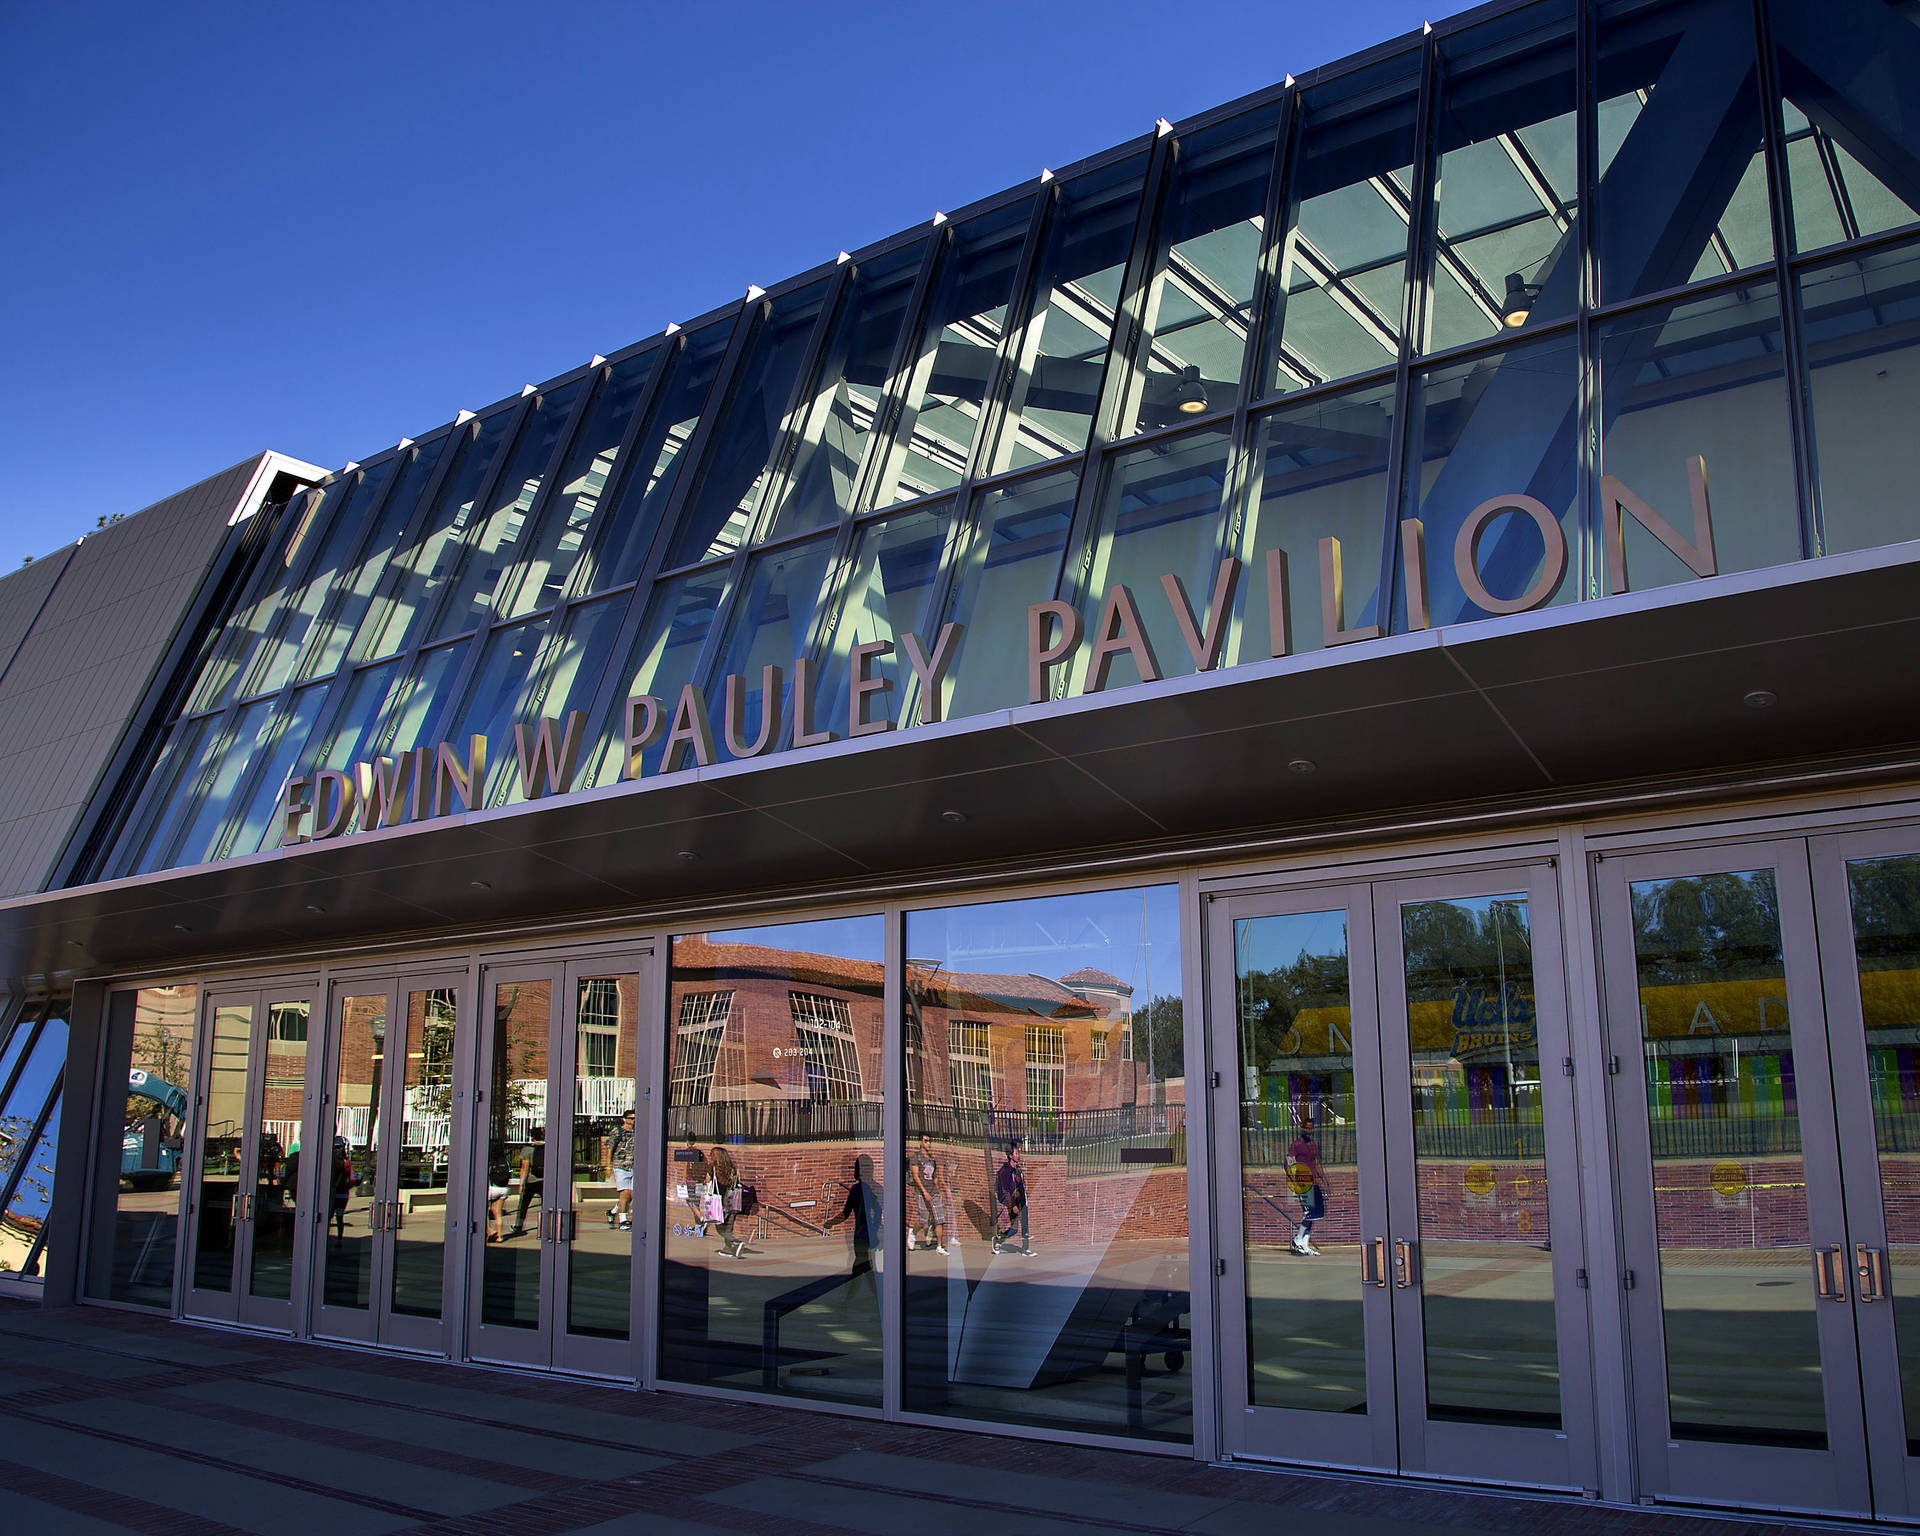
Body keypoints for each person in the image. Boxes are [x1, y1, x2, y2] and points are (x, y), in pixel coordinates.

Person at [825, 1152, 882, 1280]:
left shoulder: (858, 1189)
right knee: (865, 1265)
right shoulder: (869, 1188)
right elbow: (878, 1210)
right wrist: (875, 1227)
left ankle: (856, 1295)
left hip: (861, 1232)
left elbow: (846, 1213)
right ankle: (862, 1294)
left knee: (863, 1264)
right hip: (867, 1231)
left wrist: (831, 1223)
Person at [1289, 1110, 1326, 1257]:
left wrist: (1323, 1179)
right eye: (1306, 1128)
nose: (1308, 1130)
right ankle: (1298, 1239)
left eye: (1310, 1128)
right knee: (1308, 1212)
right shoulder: (1297, 1144)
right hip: (1303, 1183)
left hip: (1314, 1183)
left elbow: (1316, 1163)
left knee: (1316, 1214)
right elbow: (1289, 1162)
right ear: (1302, 1128)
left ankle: (1304, 1243)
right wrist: (1293, 1182)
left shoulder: (1314, 1144)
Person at [908, 1134, 949, 1255]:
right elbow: (915, 1176)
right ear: (920, 1142)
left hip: (933, 1191)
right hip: (922, 1192)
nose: (928, 1144)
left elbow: (935, 1177)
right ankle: (913, 1232)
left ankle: (939, 1246)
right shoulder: (916, 1157)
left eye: (929, 1141)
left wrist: (939, 1192)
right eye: (926, 1141)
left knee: (940, 1219)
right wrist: (924, 1192)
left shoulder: (932, 1159)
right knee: (923, 1220)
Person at [994, 1141, 1033, 1256]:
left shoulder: (1018, 1169)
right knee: (1014, 1229)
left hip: (1022, 1201)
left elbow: (1020, 1185)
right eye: (1016, 1153)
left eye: (1018, 1153)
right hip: (1013, 1202)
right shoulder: (1005, 1171)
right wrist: (1013, 1205)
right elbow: (1006, 1191)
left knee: (1025, 1224)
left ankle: (1025, 1249)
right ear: (1010, 1155)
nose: (1018, 1155)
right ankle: (998, 1240)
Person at [708, 1144, 744, 1258]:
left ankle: (736, 1242)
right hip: (732, 1201)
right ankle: (727, 1249)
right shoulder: (732, 1169)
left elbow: (707, 1181)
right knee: (728, 1227)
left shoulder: (713, 1169)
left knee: (720, 1228)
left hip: (718, 1202)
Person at [510, 1130, 545, 1237]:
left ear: (532, 1137)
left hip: (531, 1181)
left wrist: (521, 1183)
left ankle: (519, 1226)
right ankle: (545, 1226)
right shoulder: (548, 1148)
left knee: (524, 1205)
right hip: (544, 1181)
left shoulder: (527, 1149)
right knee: (545, 1205)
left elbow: (524, 1168)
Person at [605, 1110, 636, 1229]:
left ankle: (613, 1212)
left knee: (631, 1195)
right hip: (620, 1165)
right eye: (631, 1118)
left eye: (635, 1118)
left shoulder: (637, 1132)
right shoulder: (617, 1132)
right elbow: (609, 1148)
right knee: (625, 1192)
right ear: (624, 1119)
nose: (633, 1121)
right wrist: (608, 1166)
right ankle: (623, 1220)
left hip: (633, 1166)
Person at [329, 1135, 354, 1244]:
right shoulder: (346, 1164)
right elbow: (352, 1180)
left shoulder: (330, 1163)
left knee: (328, 1216)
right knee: (340, 1217)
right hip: (343, 1194)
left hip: (332, 1193)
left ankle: (326, 1237)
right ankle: (339, 1239)